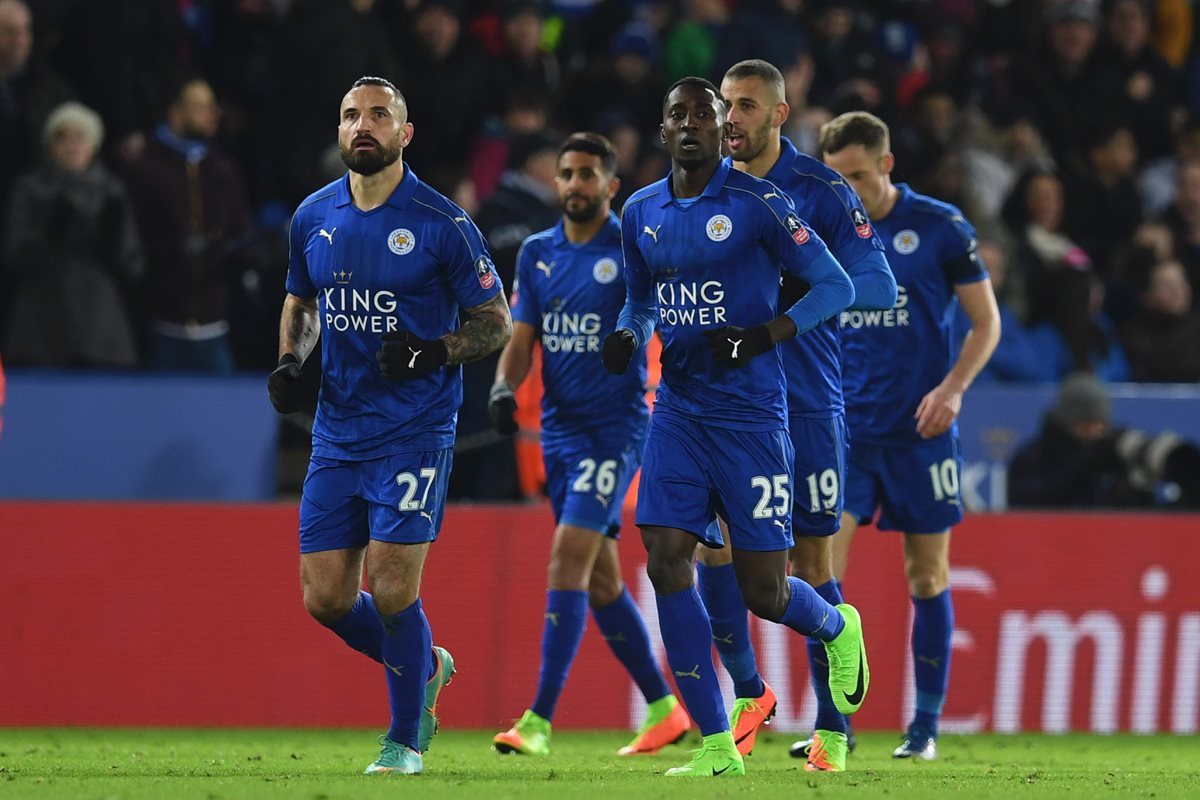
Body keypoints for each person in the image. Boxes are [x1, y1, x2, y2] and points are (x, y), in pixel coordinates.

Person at [603, 76, 867, 778]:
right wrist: (627, 336)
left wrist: (766, 334)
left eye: (704, 114)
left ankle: (839, 626)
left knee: (765, 592)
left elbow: (838, 284)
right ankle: (719, 747)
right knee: (665, 556)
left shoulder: (759, 202)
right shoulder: (639, 211)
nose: (689, 124)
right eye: (676, 114)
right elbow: (639, 302)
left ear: (725, 131)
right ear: (662, 131)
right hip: (680, 411)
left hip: (752, 417)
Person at [266, 76, 512, 776]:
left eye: (378, 115)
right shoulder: (313, 216)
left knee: (396, 585)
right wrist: (290, 360)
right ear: (339, 131)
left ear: (406, 134)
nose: (362, 125)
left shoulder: (441, 222)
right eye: (350, 115)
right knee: (326, 598)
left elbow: (496, 322)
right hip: (339, 432)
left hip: (417, 426)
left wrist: (433, 353)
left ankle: (404, 741)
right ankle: (424, 663)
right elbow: (301, 298)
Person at [688, 59, 896, 772]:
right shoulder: (707, 187)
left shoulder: (821, 190)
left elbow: (874, 281)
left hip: (804, 404)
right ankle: (750, 693)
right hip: (724, 404)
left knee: (809, 559)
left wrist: (788, 301)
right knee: (709, 545)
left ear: (779, 114)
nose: (732, 119)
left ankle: (834, 732)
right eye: (726, 106)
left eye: (747, 106)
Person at [800, 111, 1000, 762]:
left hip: (921, 432)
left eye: (857, 176)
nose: (846, 191)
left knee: (927, 574)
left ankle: (926, 728)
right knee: (818, 572)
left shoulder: (938, 228)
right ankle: (835, 727)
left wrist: (952, 389)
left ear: (886, 166)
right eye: (836, 179)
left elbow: (985, 322)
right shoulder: (816, 235)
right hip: (844, 433)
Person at [487, 132, 691, 758]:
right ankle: (664, 708)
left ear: (611, 185)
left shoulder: (630, 249)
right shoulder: (537, 254)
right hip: (559, 433)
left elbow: (651, 313)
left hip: (616, 429)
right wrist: (502, 388)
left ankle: (538, 720)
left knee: (566, 561)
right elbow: (524, 338)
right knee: (601, 581)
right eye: (567, 174)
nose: (574, 184)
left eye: (587, 175)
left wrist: (629, 339)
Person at [123, 75, 255, 373]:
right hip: (162, 322)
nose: (212, 114)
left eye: (212, 106)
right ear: (175, 112)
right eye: (200, 106)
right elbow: (133, 243)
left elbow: (241, 230)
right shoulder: (146, 170)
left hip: (214, 322)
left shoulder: (224, 170)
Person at [2, 100, 144, 367]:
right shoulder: (30, 188)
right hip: (39, 326)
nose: (71, 145)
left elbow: (134, 265)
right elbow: (13, 256)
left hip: (101, 330)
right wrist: (48, 237)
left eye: (79, 137)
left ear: (93, 146)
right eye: (62, 138)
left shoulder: (112, 193)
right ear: (49, 145)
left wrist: (110, 246)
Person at [1009, 372, 1200, 509]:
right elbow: (1029, 503)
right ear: (1065, 422)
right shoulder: (1033, 457)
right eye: (1085, 425)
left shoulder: (1114, 451)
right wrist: (1086, 464)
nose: (1094, 432)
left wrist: (1135, 492)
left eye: (1099, 424)